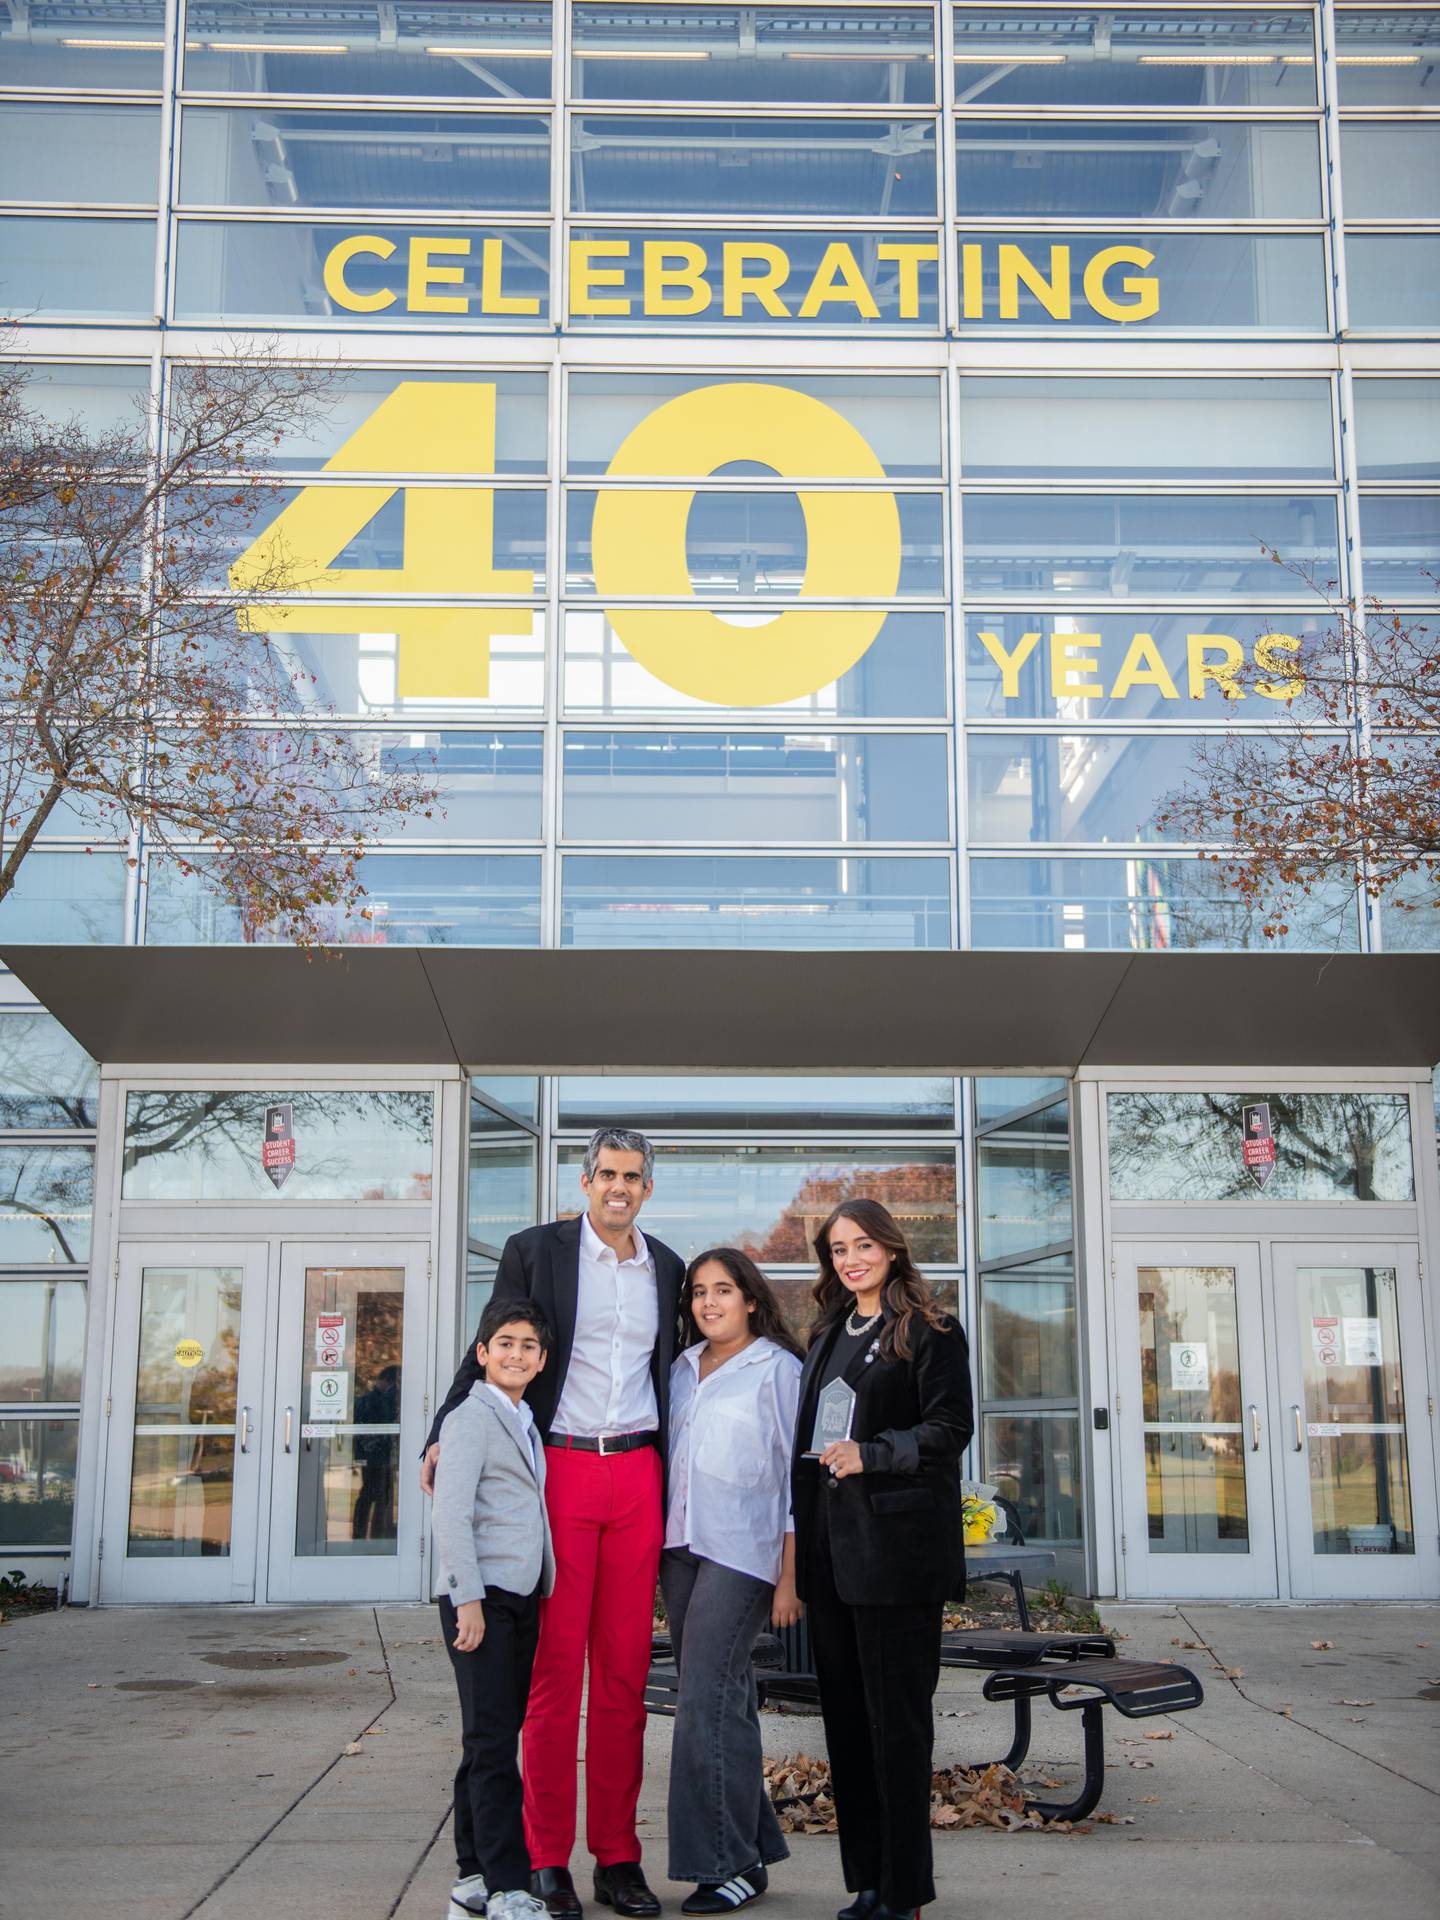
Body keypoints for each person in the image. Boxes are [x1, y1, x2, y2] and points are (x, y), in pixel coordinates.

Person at [423, 1127, 684, 1920]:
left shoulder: (667, 1267)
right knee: (553, 1673)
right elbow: (490, 1345)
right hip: (560, 1472)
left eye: (633, 1177)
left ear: (647, 1187)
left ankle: (619, 1856)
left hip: (639, 1471)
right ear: (584, 1181)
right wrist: (444, 1426)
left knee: (623, 1676)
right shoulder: (535, 1250)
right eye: (607, 1173)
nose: (619, 1187)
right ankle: (543, 1859)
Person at [790, 1199, 973, 1920]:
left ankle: (904, 1895)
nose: (851, 1259)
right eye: (838, 1249)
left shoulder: (929, 1329)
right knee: (846, 1724)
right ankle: (868, 1882)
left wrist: (871, 1454)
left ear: (893, 1249)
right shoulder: (830, 1331)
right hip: (834, 1559)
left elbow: (949, 1429)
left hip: (896, 1559)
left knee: (896, 1728)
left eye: (863, 1245)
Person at [662, 1249, 803, 1915]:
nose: (709, 1302)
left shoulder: (778, 1370)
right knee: (727, 1700)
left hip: (744, 1555)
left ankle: (722, 1864)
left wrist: (788, 1579)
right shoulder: (679, 1372)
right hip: (681, 1550)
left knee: (700, 1703)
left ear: (751, 1298)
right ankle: (752, 1850)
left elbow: (798, 1480)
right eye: (698, 1292)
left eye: (723, 1290)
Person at [432, 1297, 556, 1920]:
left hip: (520, 1595)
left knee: (488, 1737)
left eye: (528, 1346)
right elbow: (450, 1514)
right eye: (504, 1343)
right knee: (493, 1744)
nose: (516, 1354)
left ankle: (471, 1877)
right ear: (482, 1354)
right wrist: (468, 1601)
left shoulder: (523, 1417)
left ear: (540, 1360)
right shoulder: (469, 1418)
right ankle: (509, 1886)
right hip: (480, 1599)